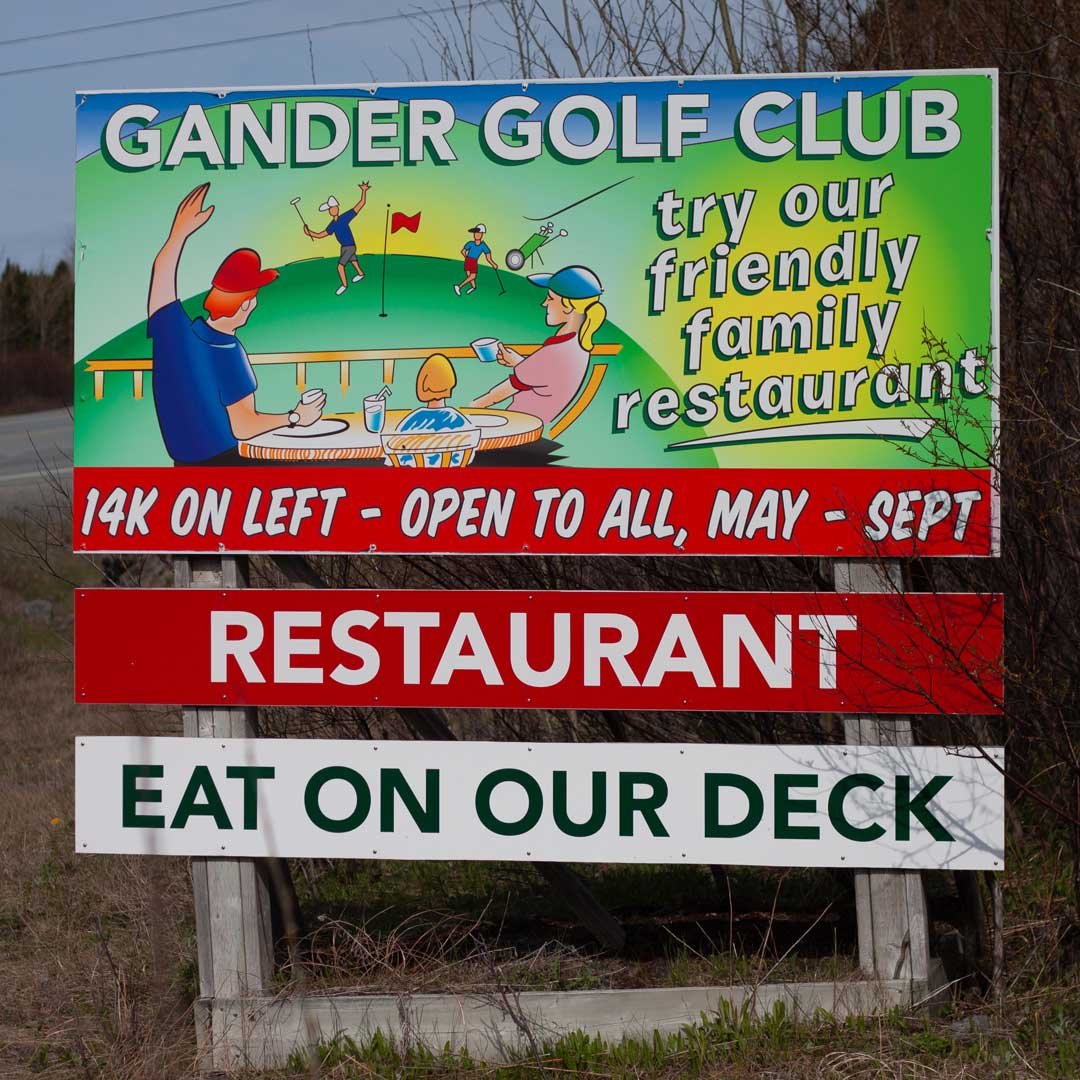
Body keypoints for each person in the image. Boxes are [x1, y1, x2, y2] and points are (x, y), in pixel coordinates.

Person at [147, 183, 325, 466]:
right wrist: (295, 418)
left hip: (182, 468)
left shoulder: (177, 333)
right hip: (226, 467)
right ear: (247, 304)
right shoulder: (227, 350)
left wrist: (178, 234)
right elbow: (243, 426)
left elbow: (162, 274)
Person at [471, 265, 606, 426]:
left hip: (519, 428)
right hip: (534, 426)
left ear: (568, 306)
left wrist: (471, 408)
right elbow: (546, 377)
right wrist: (518, 362)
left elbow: (500, 393)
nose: (544, 303)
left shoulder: (555, 353)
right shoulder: (578, 345)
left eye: (550, 298)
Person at [304, 182, 370, 295]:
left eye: (334, 207)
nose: (332, 210)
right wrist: (309, 233)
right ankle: (360, 274)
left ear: (337, 207)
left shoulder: (345, 217)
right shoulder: (332, 225)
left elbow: (361, 204)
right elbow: (321, 234)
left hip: (350, 246)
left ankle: (344, 285)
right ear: (329, 211)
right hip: (344, 247)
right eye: (330, 209)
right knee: (353, 261)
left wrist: (363, 191)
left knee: (340, 266)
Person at [454, 223, 498, 295]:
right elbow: (463, 251)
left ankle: (473, 288)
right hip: (469, 260)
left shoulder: (483, 245)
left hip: (473, 261)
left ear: (482, 234)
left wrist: (493, 264)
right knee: (472, 276)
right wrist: (467, 258)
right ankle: (459, 286)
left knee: (470, 277)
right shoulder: (470, 243)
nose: (476, 234)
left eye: (478, 233)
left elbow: (488, 257)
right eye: (475, 233)